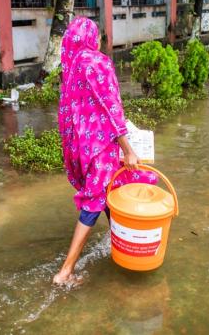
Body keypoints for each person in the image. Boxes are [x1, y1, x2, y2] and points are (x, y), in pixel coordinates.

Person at [54, 16, 156, 286]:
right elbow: (112, 109)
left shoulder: (72, 67)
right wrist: (129, 149)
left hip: (81, 148)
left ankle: (125, 247)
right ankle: (65, 272)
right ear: (91, 38)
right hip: (101, 148)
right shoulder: (97, 62)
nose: (98, 41)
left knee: (111, 192)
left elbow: (68, 115)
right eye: (96, 36)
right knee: (94, 203)